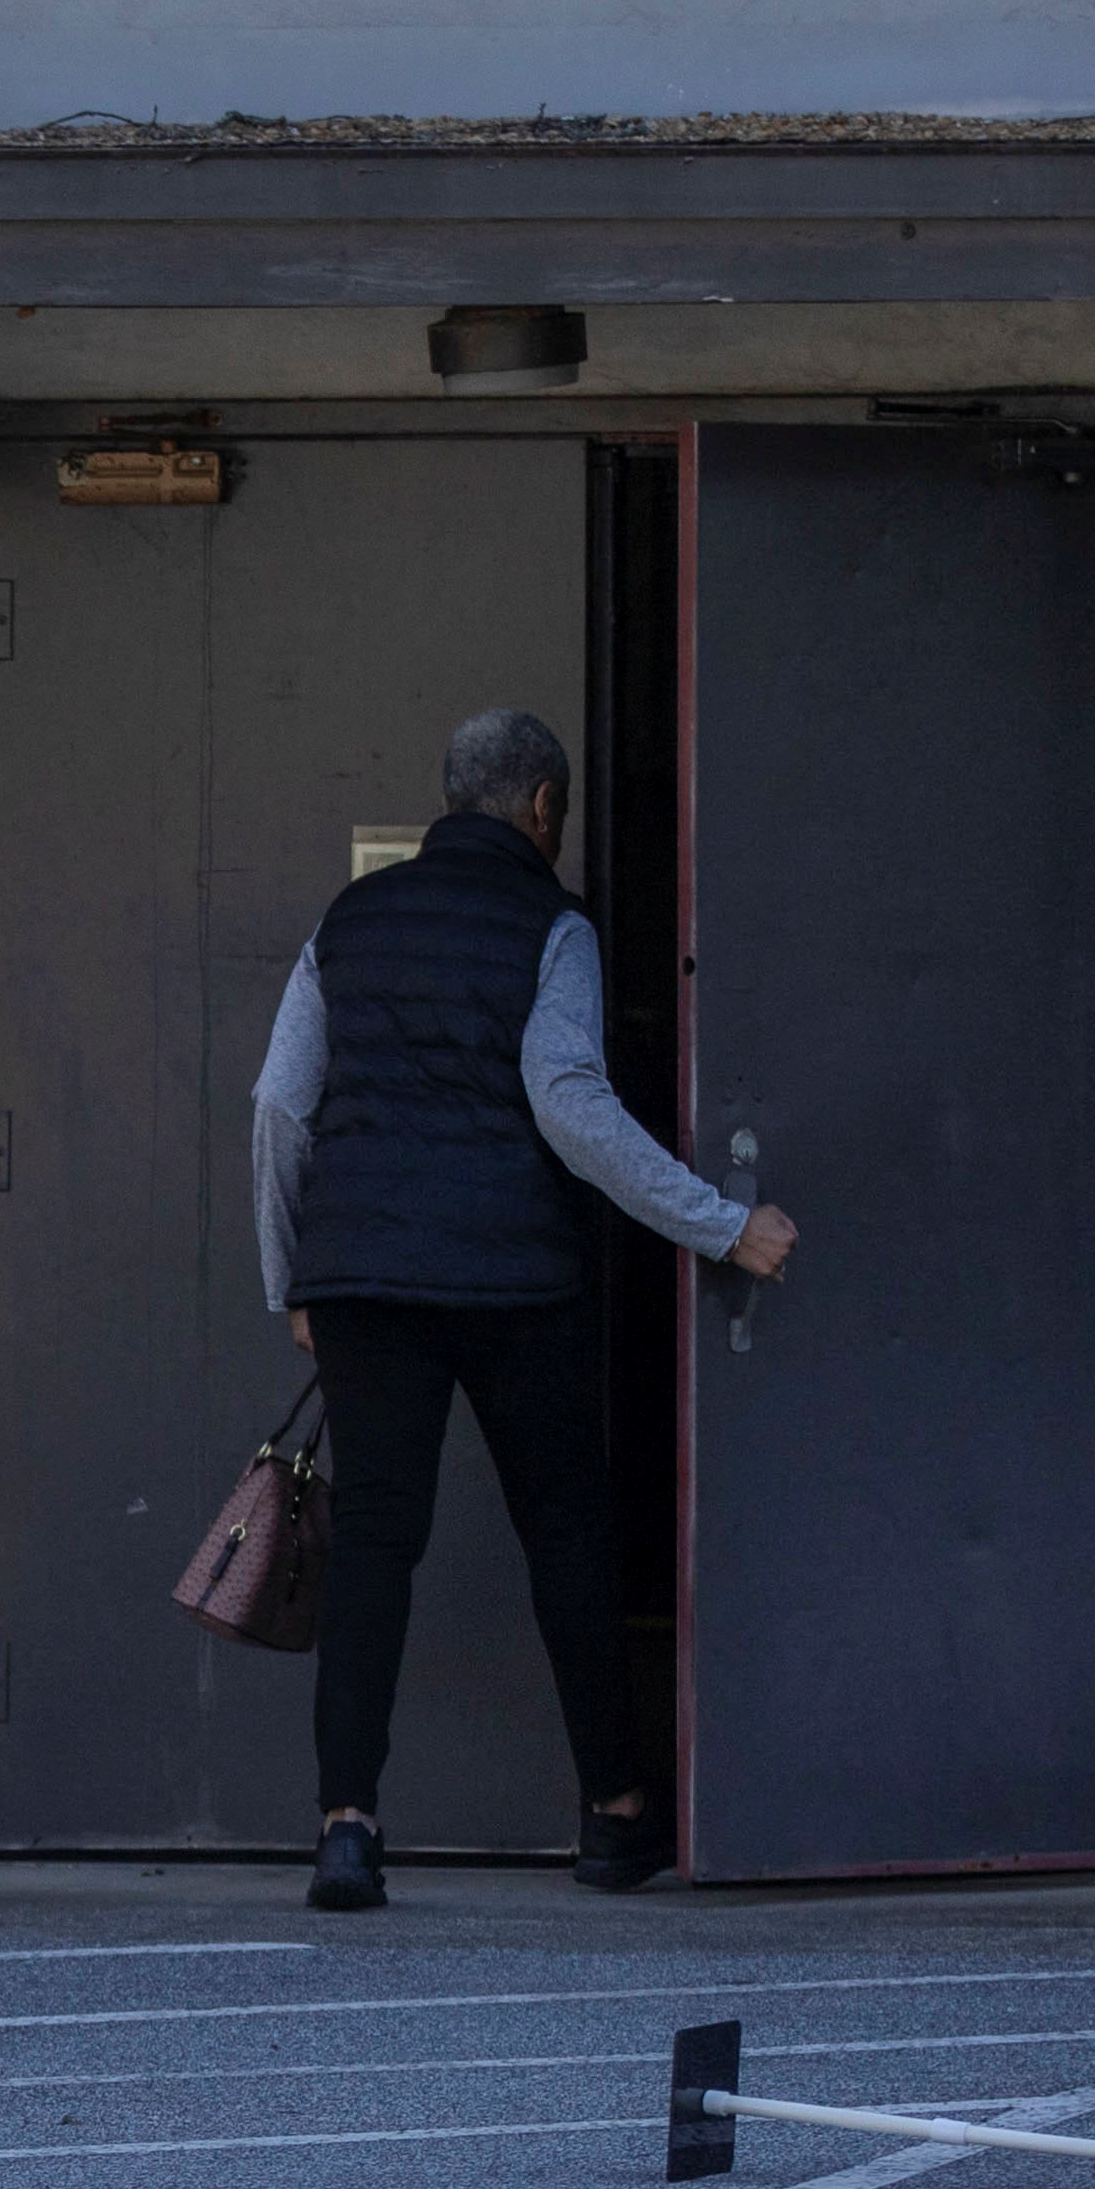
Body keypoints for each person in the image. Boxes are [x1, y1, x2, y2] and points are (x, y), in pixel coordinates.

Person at [250, 706, 798, 1912]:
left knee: (374, 1545)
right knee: (565, 1535)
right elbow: (568, 1105)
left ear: (450, 799)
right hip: (511, 1279)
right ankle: (612, 1816)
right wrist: (718, 1223)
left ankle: (347, 1827)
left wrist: (292, 1274)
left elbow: (282, 1109)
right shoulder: (554, 927)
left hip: (361, 1282)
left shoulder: (347, 920)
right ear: (544, 809)